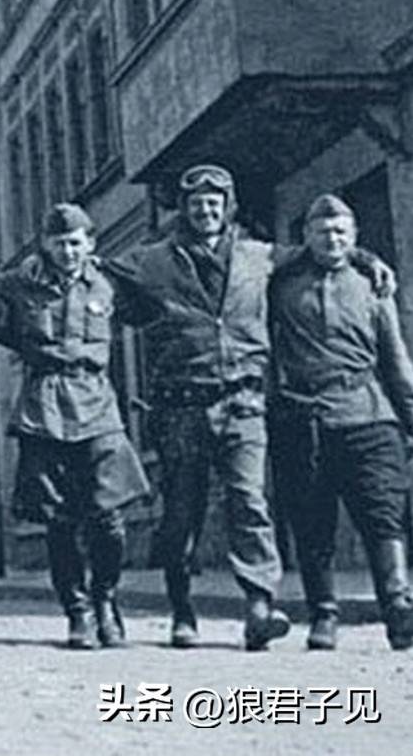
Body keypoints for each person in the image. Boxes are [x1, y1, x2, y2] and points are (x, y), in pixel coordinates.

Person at [103, 162, 392, 651]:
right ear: (184, 209)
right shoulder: (151, 260)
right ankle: (182, 610)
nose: (206, 211)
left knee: (250, 501)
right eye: (196, 204)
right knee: (182, 513)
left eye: (214, 203)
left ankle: (259, 606)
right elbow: (95, 272)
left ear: (228, 207)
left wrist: (365, 258)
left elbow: (321, 250)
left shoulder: (260, 256)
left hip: (243, 402)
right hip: (180, 406)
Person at [0, 203, 148, 650]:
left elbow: (153, 304)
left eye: (75, 243)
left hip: (97, 403)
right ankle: (77, 612)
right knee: (58, 519)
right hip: (45, 407)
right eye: (58, 244)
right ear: (45, 245)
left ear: (90, 243)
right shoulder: (22, 284)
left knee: (109, 517)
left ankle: (106, 599)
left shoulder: (109, 282)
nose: (68, 252)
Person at [268, 193, 413, 651]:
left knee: (383, 513)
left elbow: (395, 361)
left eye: (340, 232)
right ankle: (323, 614)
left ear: (354, 236)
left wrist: (410, 416)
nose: (332, 239)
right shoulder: (280, 285)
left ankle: (398, 605)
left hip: (367, 415)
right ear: (306, 236)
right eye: (322, 231)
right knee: (312, 521)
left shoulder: (373, 286)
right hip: (303, 416)